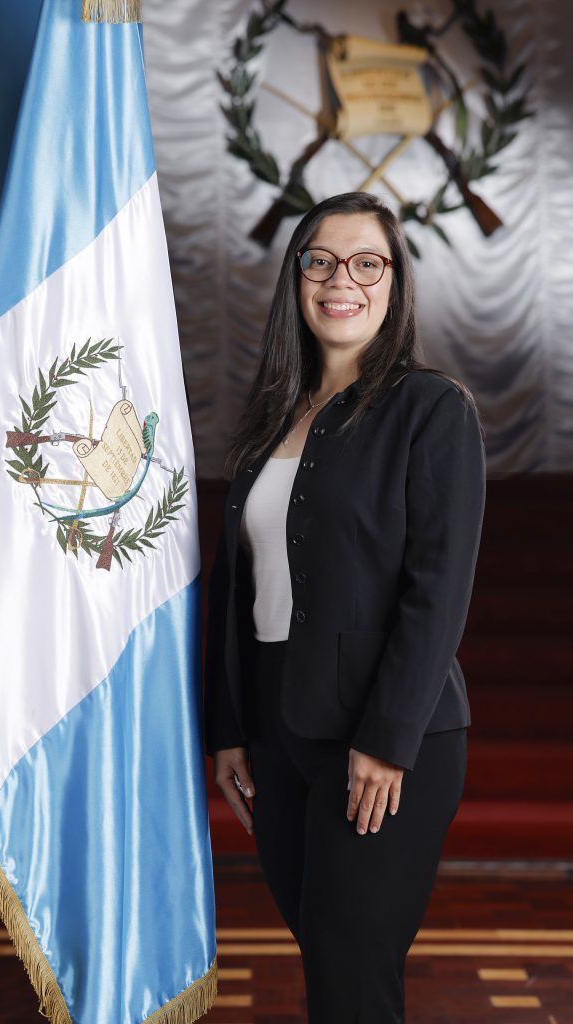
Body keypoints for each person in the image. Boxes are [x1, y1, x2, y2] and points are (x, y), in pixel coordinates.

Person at [204, 191, 486, 1023]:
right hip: (276, 730)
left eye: (368, 263)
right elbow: (234, 584)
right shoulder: (269, 419)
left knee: (351, 981)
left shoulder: (431, 409)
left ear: (395, 282)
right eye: (321, 261)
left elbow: (439, 590)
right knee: (331, 969)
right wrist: (229, 727)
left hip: (386, 735)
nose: (342, 281)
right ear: (296, 277)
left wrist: (387, 742)